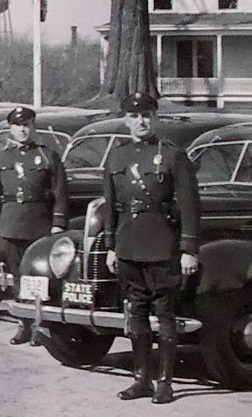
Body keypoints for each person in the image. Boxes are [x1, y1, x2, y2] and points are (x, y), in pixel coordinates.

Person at [104, 93, 200, 405]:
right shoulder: (116, 157)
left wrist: (189, 248)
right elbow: (111, 206)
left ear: (154, 118)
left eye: (146, 115)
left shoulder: (172, 155)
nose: (140, 122)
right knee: (136, 313)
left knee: (166, 315)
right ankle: (140, 379)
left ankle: (165, 383)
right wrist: (110, 246)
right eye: (134, 116)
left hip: (161, 245)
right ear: (125, 120)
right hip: (128, 244)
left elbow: (189, 205)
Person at [0, 106, 68, 345]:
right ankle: (24, 324)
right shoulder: (3, 158)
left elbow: (60, 193)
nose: (23, 130)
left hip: (38, 224)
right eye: (18, 126)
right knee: (17, 276)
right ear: (11, 128)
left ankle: (41, 326)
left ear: (34, 128)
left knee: (40, 276)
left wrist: (58, 224)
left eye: (27, 125)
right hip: (11, 223)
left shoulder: (48, 156)